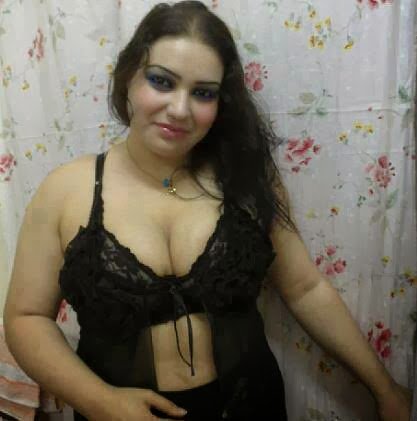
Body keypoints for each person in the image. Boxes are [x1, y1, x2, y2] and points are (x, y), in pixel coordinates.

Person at [2, 1, 412, 420]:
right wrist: (100, 401)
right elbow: (25, 317)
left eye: (202, 93)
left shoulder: (246, 181)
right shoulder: (65, 191)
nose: (180, 109)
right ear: (127, 78)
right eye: (162, 81)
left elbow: (305, 289)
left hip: (252, 407)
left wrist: (384, 389)